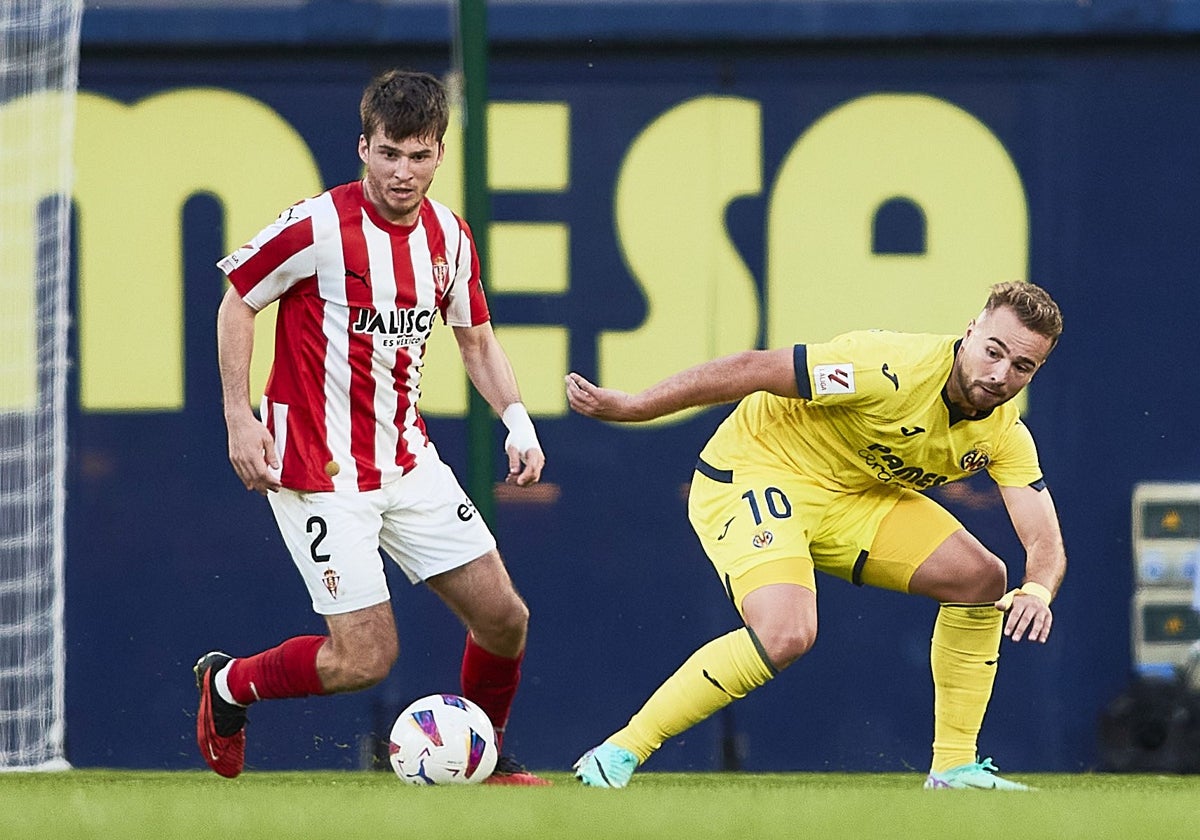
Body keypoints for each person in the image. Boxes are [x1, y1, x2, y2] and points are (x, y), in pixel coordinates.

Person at [567, 281, 1066, 790]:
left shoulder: (1004, 433)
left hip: (852, 495)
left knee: (981, 578)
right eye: (993, 352)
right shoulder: (887, 369)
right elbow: (754, 368)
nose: (1001, 374)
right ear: (971, 332)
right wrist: (637, 407)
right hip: (758, 470)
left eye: (1022, 366)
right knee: (786, 632)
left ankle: (954, 768)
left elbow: (1043, 538)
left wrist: (1038, 589)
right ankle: (619, 751)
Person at [196, 68, 549, 785]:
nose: (402, 171)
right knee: (364, 659)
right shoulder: (317, 225)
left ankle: (481, 760)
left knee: (505, 618)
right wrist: (240, 416)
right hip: (317, 473)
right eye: (389, 153)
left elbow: (476, 340)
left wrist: (517, 419)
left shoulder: (449, 235)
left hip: (406, 460)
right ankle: (227, 686)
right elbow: (238, 301)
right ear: (364, 147)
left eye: (419, 156)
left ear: (439, 156)